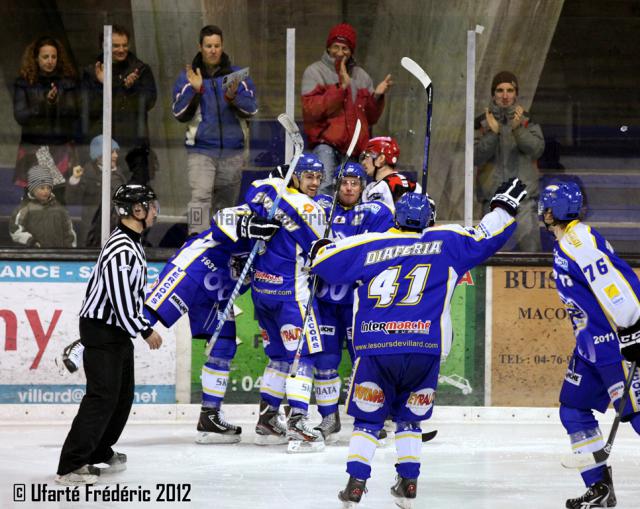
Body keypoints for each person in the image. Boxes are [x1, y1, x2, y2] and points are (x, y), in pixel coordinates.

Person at [310, 178, 527, 507]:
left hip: (377, 351)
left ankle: (356, 483)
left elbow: (326, 264)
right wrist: (504, 207)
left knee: (369, 420)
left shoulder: (371, 243)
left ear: (396, 218)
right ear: (429, 220)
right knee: (409, 419)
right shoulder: (448, 240)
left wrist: (321, 247)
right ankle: (408, 483)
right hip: (424, 350)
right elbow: (486, 235)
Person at [61, 204, 281, 444]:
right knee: (146, 317)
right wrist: (247, 225)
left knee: (224, 347)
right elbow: (221, 220)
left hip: (219, 289)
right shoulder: (254, 210)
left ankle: (210, 416)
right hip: (193, 270)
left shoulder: (287, 236)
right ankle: (82, 344)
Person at [538, 182, 640, 509]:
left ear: (551, 211)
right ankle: (599, 488)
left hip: (614, 344)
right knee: (573, 408)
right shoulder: (569, 240)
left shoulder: (578, 242)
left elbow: (612, 280)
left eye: (545, 205)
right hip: (589, 348)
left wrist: (634, 325)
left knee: (637, 415)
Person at [55, 184, 162, 486]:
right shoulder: (120, 249)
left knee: (121, 395)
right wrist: (144, 329)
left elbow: (130, 294)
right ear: (135, 211)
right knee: (101, 398)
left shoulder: (134, 243)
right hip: (102, 330)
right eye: (149, 205)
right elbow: (120, 299)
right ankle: (71, 465)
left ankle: (99, 450)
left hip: (115, 330)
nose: (154, 210)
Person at [246, 154, 328, 451]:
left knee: (279, 358)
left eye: (319, 177)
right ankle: (298, 422)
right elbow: (323, 250)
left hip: (263, 292)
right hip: (292, 297)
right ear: (295, 176)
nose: (315, 183)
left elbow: (253, 191)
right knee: (302, 357)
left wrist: (279, 180)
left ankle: (267, 419)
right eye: (308, 176)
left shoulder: (269, 190)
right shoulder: (310, 207)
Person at [313, 162, 394, 442]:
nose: (349, 188)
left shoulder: (374, 212)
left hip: (358, 303)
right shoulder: (321, 208)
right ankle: (328, 418)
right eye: (345, 182)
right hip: (324, 301)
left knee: (364, 361)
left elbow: (385, 244)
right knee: (325, 360)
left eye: (355, 183)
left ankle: (369, 417)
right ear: (337, 184)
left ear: (362, 186)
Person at [172, 24, 258, 234]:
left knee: (226, 204)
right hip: (201, 149)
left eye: (216, 46)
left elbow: (252, 110)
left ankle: (222, 245)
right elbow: (179, 114)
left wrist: (233, 97)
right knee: (199, 198)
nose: (213, 50)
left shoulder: (238, 75)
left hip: (232, 150)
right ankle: (194, 239)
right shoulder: (188, 77)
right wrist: (196, 90)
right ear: (200, 47)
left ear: (222, 46)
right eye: (208, 46)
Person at [301, 23, 393, 194]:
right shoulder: (314, 72)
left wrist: (377, 97)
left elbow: (371, 118)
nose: (340, 52)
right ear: (328, 47)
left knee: (353, 191)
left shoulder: (362, 76)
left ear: (351, 51)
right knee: (325, 186)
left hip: (355, 147)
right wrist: (341, 88)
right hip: (325, 145)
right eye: (335, 47)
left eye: (345, 48)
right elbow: (312, 110)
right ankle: (324, 220)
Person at [474, 71, 545, 252]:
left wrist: (518, 129)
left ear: (516, 93)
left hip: (524, 199)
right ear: (493, 93)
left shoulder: (528, 120)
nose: (505, 96)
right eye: (500, 90)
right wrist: (493, 133)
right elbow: (475, 157)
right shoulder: (482, 123)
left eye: (510, 90)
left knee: (531, 255)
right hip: (492, 200)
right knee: (490, 255)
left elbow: (537, 150)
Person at [81, 25, 157, 185]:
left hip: (134, 145)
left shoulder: (140, 69)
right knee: (107, 196)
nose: (121, 49)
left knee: (137, 195)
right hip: (105, 146)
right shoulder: (91, 72)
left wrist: (131, 89)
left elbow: (149, 101)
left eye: (124, 45)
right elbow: (89, 109)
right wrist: (103, 85)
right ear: (104, 46)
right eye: (116, 46)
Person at [13, 36, 79, 194]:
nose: (50, 61)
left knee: (58, 197)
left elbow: (73, 113)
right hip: (33, 147)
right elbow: (21, 116)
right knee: (33, 197)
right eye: (45, 57)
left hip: (60, 146)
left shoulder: (67, 82)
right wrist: (45, 103)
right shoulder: (24, 82)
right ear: (36, 58)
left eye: (54, 57)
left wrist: (56, 103)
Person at [65, 135, 127, 247]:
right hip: (92, 230)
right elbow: (72, 200)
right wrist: (75, 180)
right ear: (99, 154)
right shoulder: (86, 174)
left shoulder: (120, 175)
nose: (115, 156)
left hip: (116, 228)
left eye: (116, 152)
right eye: (112, 152)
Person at [9, 165, 76, 248]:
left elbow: (69, 231)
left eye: (48, 188)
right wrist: (30, 241)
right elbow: (15, 229)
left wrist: (70, 248)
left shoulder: (59, 209)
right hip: (34, 255)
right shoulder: (25, 208)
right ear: (32, 189)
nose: (46, 191)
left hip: (58, 255)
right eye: (42, 188)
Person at [360, 136, 419, 212]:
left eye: (367, 157)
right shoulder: (414, 184)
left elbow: (373, 221)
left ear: (381, 159)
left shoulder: (380, 188)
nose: (363, 162)